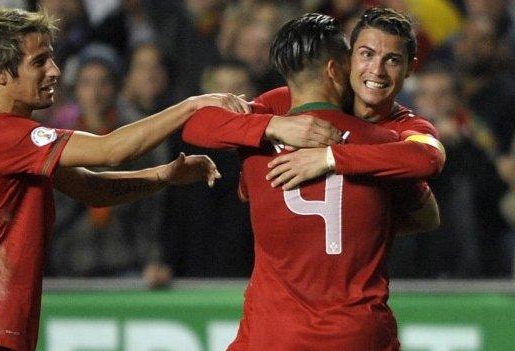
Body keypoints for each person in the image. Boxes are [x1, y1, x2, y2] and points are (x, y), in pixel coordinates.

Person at [0, 7, 253, 351]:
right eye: (39, 62)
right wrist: (192, 106)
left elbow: (91, 188)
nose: (55, 71)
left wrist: (162, 174)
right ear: (0, 73)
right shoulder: (4, 135)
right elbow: (112, 150)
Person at [182, 10, 445, 350]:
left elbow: (429, 158)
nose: (376, 70)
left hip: (277, 330)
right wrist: (273, 125)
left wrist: (331, 158)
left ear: (411, 68)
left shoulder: (401, 128)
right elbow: (427, 214)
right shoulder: (289, 109)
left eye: (392, 60)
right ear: (345, 61)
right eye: (366, 54)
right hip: (354, 329)